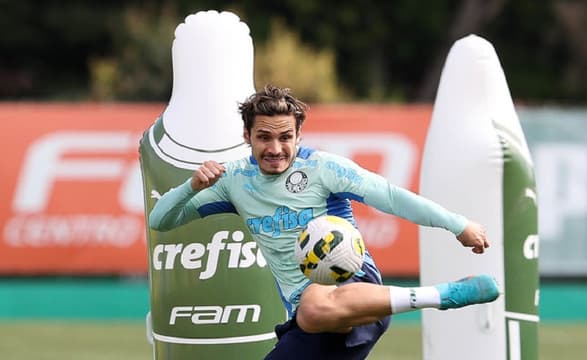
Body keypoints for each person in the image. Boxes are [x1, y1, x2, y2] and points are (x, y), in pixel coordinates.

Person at [149, 84, 499, 359]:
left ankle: (443, 295)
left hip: (355, 290)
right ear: (247, 136)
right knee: (310, 312)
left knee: (314, 307)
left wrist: (458, 225)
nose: (275, 148)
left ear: (299, 136)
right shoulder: (234, 181)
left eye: (285, 137)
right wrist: (193, 185)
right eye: (264, 137)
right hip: (310, 322)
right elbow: (161, 220)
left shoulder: (323, 168)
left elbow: (392, 197)